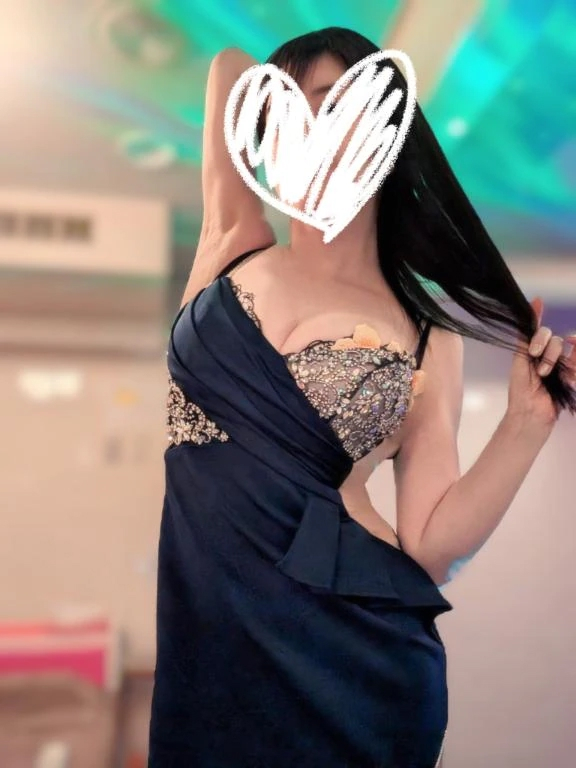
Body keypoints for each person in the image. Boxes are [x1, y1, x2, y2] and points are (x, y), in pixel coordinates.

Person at [147, 27, 576, 768]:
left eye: (331, 109)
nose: (303, 131)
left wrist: (524, 425)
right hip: (209, 637)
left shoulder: (425, 332)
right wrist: (303, 76)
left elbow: (430, 546)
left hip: (347, 653)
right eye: (286, 114)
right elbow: (228, 67)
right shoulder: (234, 239)